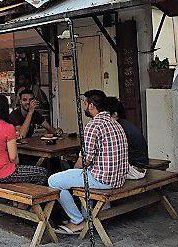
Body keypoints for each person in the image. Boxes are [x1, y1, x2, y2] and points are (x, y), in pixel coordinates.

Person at [48, 89, 128, 235]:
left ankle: (77, 221)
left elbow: (84, 160)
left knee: (54, 181)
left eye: (84, 103)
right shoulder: (115, 123)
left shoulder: (93, 125)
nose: (84, 106)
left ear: (91, 105)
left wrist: (73, 171)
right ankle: (85, 216)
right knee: (77, 177)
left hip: (104, 180)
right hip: (119, 179)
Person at [0, 95, 49, 185]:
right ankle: (28, 197)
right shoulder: (8, 127)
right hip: (3, 174)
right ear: (6, 109)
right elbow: (14, 158)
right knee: (43, 173)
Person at [106, 96, 149, 179]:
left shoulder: (118, 128)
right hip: (137, 167)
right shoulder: (123, 124)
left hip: (135, 170)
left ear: (115, 114)